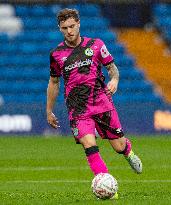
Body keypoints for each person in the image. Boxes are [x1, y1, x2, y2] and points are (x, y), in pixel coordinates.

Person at [47, 8, 142, 188]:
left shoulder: (96, 45)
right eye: (65, 28)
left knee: (118, 146)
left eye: (72, 26)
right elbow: (53, 82)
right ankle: (105, 186)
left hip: (101, 102)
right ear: (60, 29)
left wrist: (114, 80)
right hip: (78, 108)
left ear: (79, 24)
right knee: (88, 143)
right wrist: (49, 110)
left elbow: (112, 68)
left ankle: (128, 151)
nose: (69, 31)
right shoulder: (56, 54)